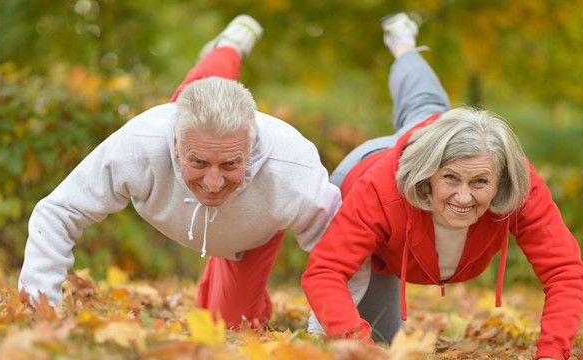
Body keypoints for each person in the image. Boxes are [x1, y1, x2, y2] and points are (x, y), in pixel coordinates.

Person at [19, 15, 341, 329]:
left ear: (251, 148)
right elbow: (58, 211)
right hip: (190, 135)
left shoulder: (292, 170)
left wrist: (324, 330)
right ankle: (227, 48)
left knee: (233, 325)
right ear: (175, 144)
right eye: (198, 163)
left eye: (230, 164)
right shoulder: (141, 144)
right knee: (202, 88)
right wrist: (40, 306)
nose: (213, 184)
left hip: (251, 233)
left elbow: (338, 255)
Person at [301, 12, 583, 360]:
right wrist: (359, 345)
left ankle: (403, 43)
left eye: (480, 182)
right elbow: (325, 271)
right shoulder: (378, 188)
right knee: (379, 339)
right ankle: (404, 47)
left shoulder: (518, 184)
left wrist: (552, 353)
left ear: (500, 180)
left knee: (426, 102)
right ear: (428, 175)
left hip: (436, 135)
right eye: (451, 179)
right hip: (372, 164)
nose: (464, 198)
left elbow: (566, 272)